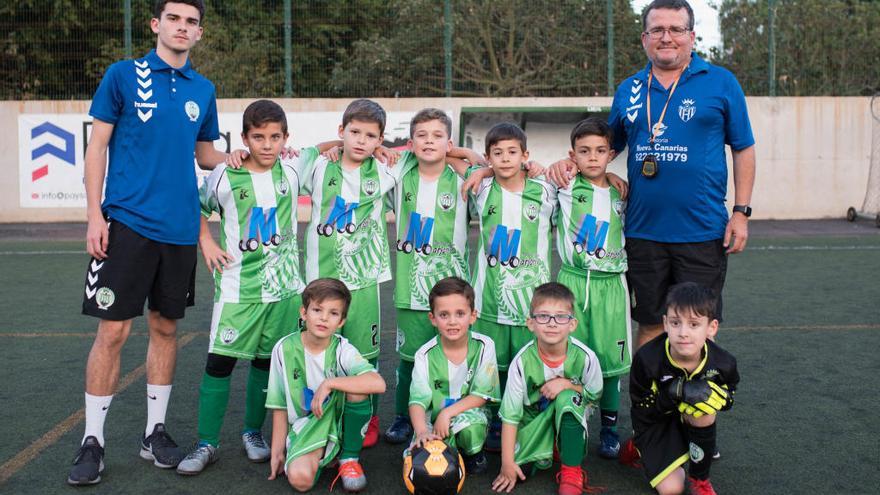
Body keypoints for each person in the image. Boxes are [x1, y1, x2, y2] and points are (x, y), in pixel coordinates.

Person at [69, 0, 228, 485]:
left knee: (165, 329)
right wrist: (95, 214)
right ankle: (92, 440)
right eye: (175, 20)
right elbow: (97, 147)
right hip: (128, 224)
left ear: (200, 34)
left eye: (192, 22)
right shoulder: (122, 75)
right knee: (113, 332)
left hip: (180, 230)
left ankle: (152, 433)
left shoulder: (204, 89)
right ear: (157, 25)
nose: (183, 28)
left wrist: (238, 155)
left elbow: (204, 154)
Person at [608, 0, 756, 350]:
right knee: (650, 324)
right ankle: (648, 403)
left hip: (702, 232)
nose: (666, 37)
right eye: (657, 30)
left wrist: (741, 212)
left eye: (676, 29)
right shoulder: (629, 88)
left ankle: (695, 405)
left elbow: (744, 148)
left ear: (691, 36)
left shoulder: (720, 82)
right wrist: (566, 165)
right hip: (643, 232)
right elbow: (605, 147)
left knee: (695, 328)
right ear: (644, 38)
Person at [175, 100, 312, 475]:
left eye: (274, 137)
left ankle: (252, 433)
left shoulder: (294, 170)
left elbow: (337, 148)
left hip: (284, 292)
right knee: (219, 363)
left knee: (266, 364)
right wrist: (206, 241)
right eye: (258, 137)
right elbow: (196, 207)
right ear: (245, 138)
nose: (266, 145)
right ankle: (207, 443)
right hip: (238, 290)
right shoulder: (224, 174)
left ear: (286, 138)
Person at [299, 99, 403, 447]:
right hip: (321, 282)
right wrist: (328, 147)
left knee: (365, 351)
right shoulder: (317, 167)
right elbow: (301, 156)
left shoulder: (386, 172)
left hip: (364, 281)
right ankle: (314, 410)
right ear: (341, 131)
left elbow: (429, 155)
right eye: (354, 132)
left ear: (380, 140)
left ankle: (368, 417)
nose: (361, 140)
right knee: (316, 349)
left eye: (370, 135)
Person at [466, 122, 557, 452]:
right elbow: (455, 158)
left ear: (525, 155)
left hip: (531, 306)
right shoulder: (483, 189)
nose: (505, 159)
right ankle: (493, 419)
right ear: (489, 158)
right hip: (489, 299)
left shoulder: (545, 191)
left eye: (512, 152)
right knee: (493, 367)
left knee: (529, 365)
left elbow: (572, 175)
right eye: (497, 153)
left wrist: (546, 168)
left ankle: (527, 420)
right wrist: (480, 170)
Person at [384, 109, 473, 444]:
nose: (429, 142)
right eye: (422, 135)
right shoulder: (399, 176)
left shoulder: (464, 180)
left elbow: (485, 168)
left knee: (452, 355)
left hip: (451, 292)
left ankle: (456, 413)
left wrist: (465, 156)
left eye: (437, 136)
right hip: (410, 288)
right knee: (409, 359)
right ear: (411, 143)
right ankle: (402, 417)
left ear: (449, 143)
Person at [552, 118, 631, 460]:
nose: (593, 158)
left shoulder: (621, 191)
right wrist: (554, 165)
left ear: (611, 155)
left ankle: (610, 429)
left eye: (600, 151)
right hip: (573, 283)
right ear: (573, 155)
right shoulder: (564, 185)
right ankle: (571, 418)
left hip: (611, 286)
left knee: (611, 362)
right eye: (584, 152)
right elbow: (518, 168)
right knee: (569, 356)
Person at [265, 278, 386, 492]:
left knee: (357, 388)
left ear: (341, 322)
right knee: (301, 481)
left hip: (338, 424)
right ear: (304, 313)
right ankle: (323, 454)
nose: (323, 318)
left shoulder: (342, 350)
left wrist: (329, 383)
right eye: (317, 310)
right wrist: (277, 452)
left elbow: (378, 384)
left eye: (333, 313)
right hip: (306, 427)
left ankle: (348, 457)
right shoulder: (283, 349)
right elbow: (279, 405)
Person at [627, 282, 739, 495]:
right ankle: (636, 446)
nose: (683, 333)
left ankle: (700, 480)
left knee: (705, 406)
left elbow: (729, 394)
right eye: (676, 323)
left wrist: (719, 397)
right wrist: (674, 392)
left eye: (694, 324)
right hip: (655, 424)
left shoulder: (723, 362)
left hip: (692, 419)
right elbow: (641, 410)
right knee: (672, 489)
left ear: (711, 328)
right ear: (665, 323)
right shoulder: (647, 359)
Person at [491, 283, 603, 495]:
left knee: (568, 398)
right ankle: (550, 445)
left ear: (573, 324)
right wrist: (506, 463)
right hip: (533, 422)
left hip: (570, 412)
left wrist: (567, 384)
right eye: (543, 316)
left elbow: (594, 395)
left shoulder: (586, 357)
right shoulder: (521, 362)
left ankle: (571, 470)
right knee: (519, 472)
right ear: (530, 323)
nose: (552, 323)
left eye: (561, 317)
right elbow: (511, 416)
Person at [407, 277, 500, 475]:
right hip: (433, 420)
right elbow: (417, 401)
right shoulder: (424, 355)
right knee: (420, 455)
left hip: (468, 414)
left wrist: (447, 413)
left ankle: (473, 454)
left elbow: (482, 395)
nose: (452, 321)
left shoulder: (485, 346)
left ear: (473, 315)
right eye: (444, 315)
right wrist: (422, 431)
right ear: (433, 318)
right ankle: (441, 451)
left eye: (460, 313)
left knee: (471, 427)